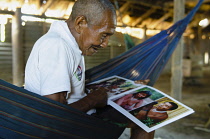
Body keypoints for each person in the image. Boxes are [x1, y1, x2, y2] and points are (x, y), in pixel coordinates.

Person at [24, 0, 153, 138]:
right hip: (70, 127)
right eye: (104, 35)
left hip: (81, 114)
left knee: (146, 112)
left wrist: (129, 88)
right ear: (80, 23)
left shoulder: (70, 44)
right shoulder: (57, 46)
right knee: (147, 117)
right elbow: (54, 115)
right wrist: (93, 100)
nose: (105, 44)